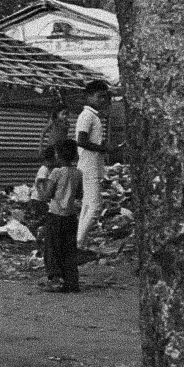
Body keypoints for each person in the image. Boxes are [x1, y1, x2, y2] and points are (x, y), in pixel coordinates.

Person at [35, 139, 84, 293]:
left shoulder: (56, 173)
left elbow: (46, 195)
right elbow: (79, 194)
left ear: (58, 155)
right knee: (69, 250)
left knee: (52, 248)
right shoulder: (78, 173)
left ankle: (55, 279)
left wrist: (39, 186)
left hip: (55, 215)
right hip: (70, 217)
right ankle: (71, 281)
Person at [74, 80, 115, 245]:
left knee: (87, 206)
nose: (102, 100)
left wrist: (102, 147)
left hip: (92, 164)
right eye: (99, 97)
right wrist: (102, 149)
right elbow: (81, 141)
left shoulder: (93, 116)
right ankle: (78, 243)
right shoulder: (87, 115)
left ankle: (77, 243)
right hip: (89, 165)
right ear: (88, 96)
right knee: (96, 207)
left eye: (104, 97)